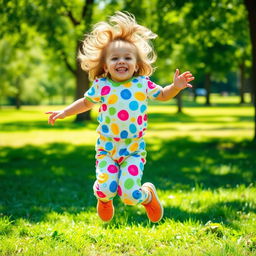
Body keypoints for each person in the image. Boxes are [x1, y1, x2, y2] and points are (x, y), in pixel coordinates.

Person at [46, 11, 194, 223]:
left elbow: (162, 95)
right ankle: (104, 199)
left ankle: (148, 195)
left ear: (136, 63)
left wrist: (175, 87)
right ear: (105, 66)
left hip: (133, 149)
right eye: (115, 58)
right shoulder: (102, 86)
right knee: (105, 189)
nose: (121, 61)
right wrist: (64, 112)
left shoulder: (142, 83)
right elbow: (86, 102)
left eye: (127, 58)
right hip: (106, 148)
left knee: (130, 196)